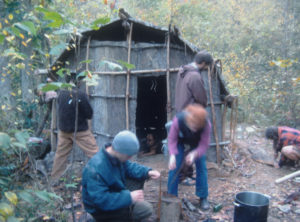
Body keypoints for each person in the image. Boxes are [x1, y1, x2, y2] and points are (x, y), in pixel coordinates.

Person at [82, 130, 161, 222]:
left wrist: (147, 172)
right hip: (100, 211)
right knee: (143, 210)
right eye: (128, 156)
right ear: (120, 151)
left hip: (116, 198)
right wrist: (129, 197)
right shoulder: (96, 168)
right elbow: (101, 201)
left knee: (145, 209)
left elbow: (130, 167)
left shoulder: (115, 156)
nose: (130, 158)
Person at [51, 74, 99, 183]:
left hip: (63, 130)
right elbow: (89, 114)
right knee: (95, 154)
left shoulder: (61, 94)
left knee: (60, 156)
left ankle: (53, 181)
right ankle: (106, 177)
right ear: (78, 82)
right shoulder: (80, 95)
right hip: (80, 131)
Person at [167, 104, 211, 210]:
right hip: (180, 140)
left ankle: (203, 197)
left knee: (202, 167)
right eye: (192, 125)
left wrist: (194, 154)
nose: (194, 129)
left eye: (197, 127)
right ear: (188, 120)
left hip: (197, 143)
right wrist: (172, 155)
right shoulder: (179, 119)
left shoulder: (206, 125)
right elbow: (172, 139)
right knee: (174, 166)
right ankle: (171, 197)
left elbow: (204, 144)